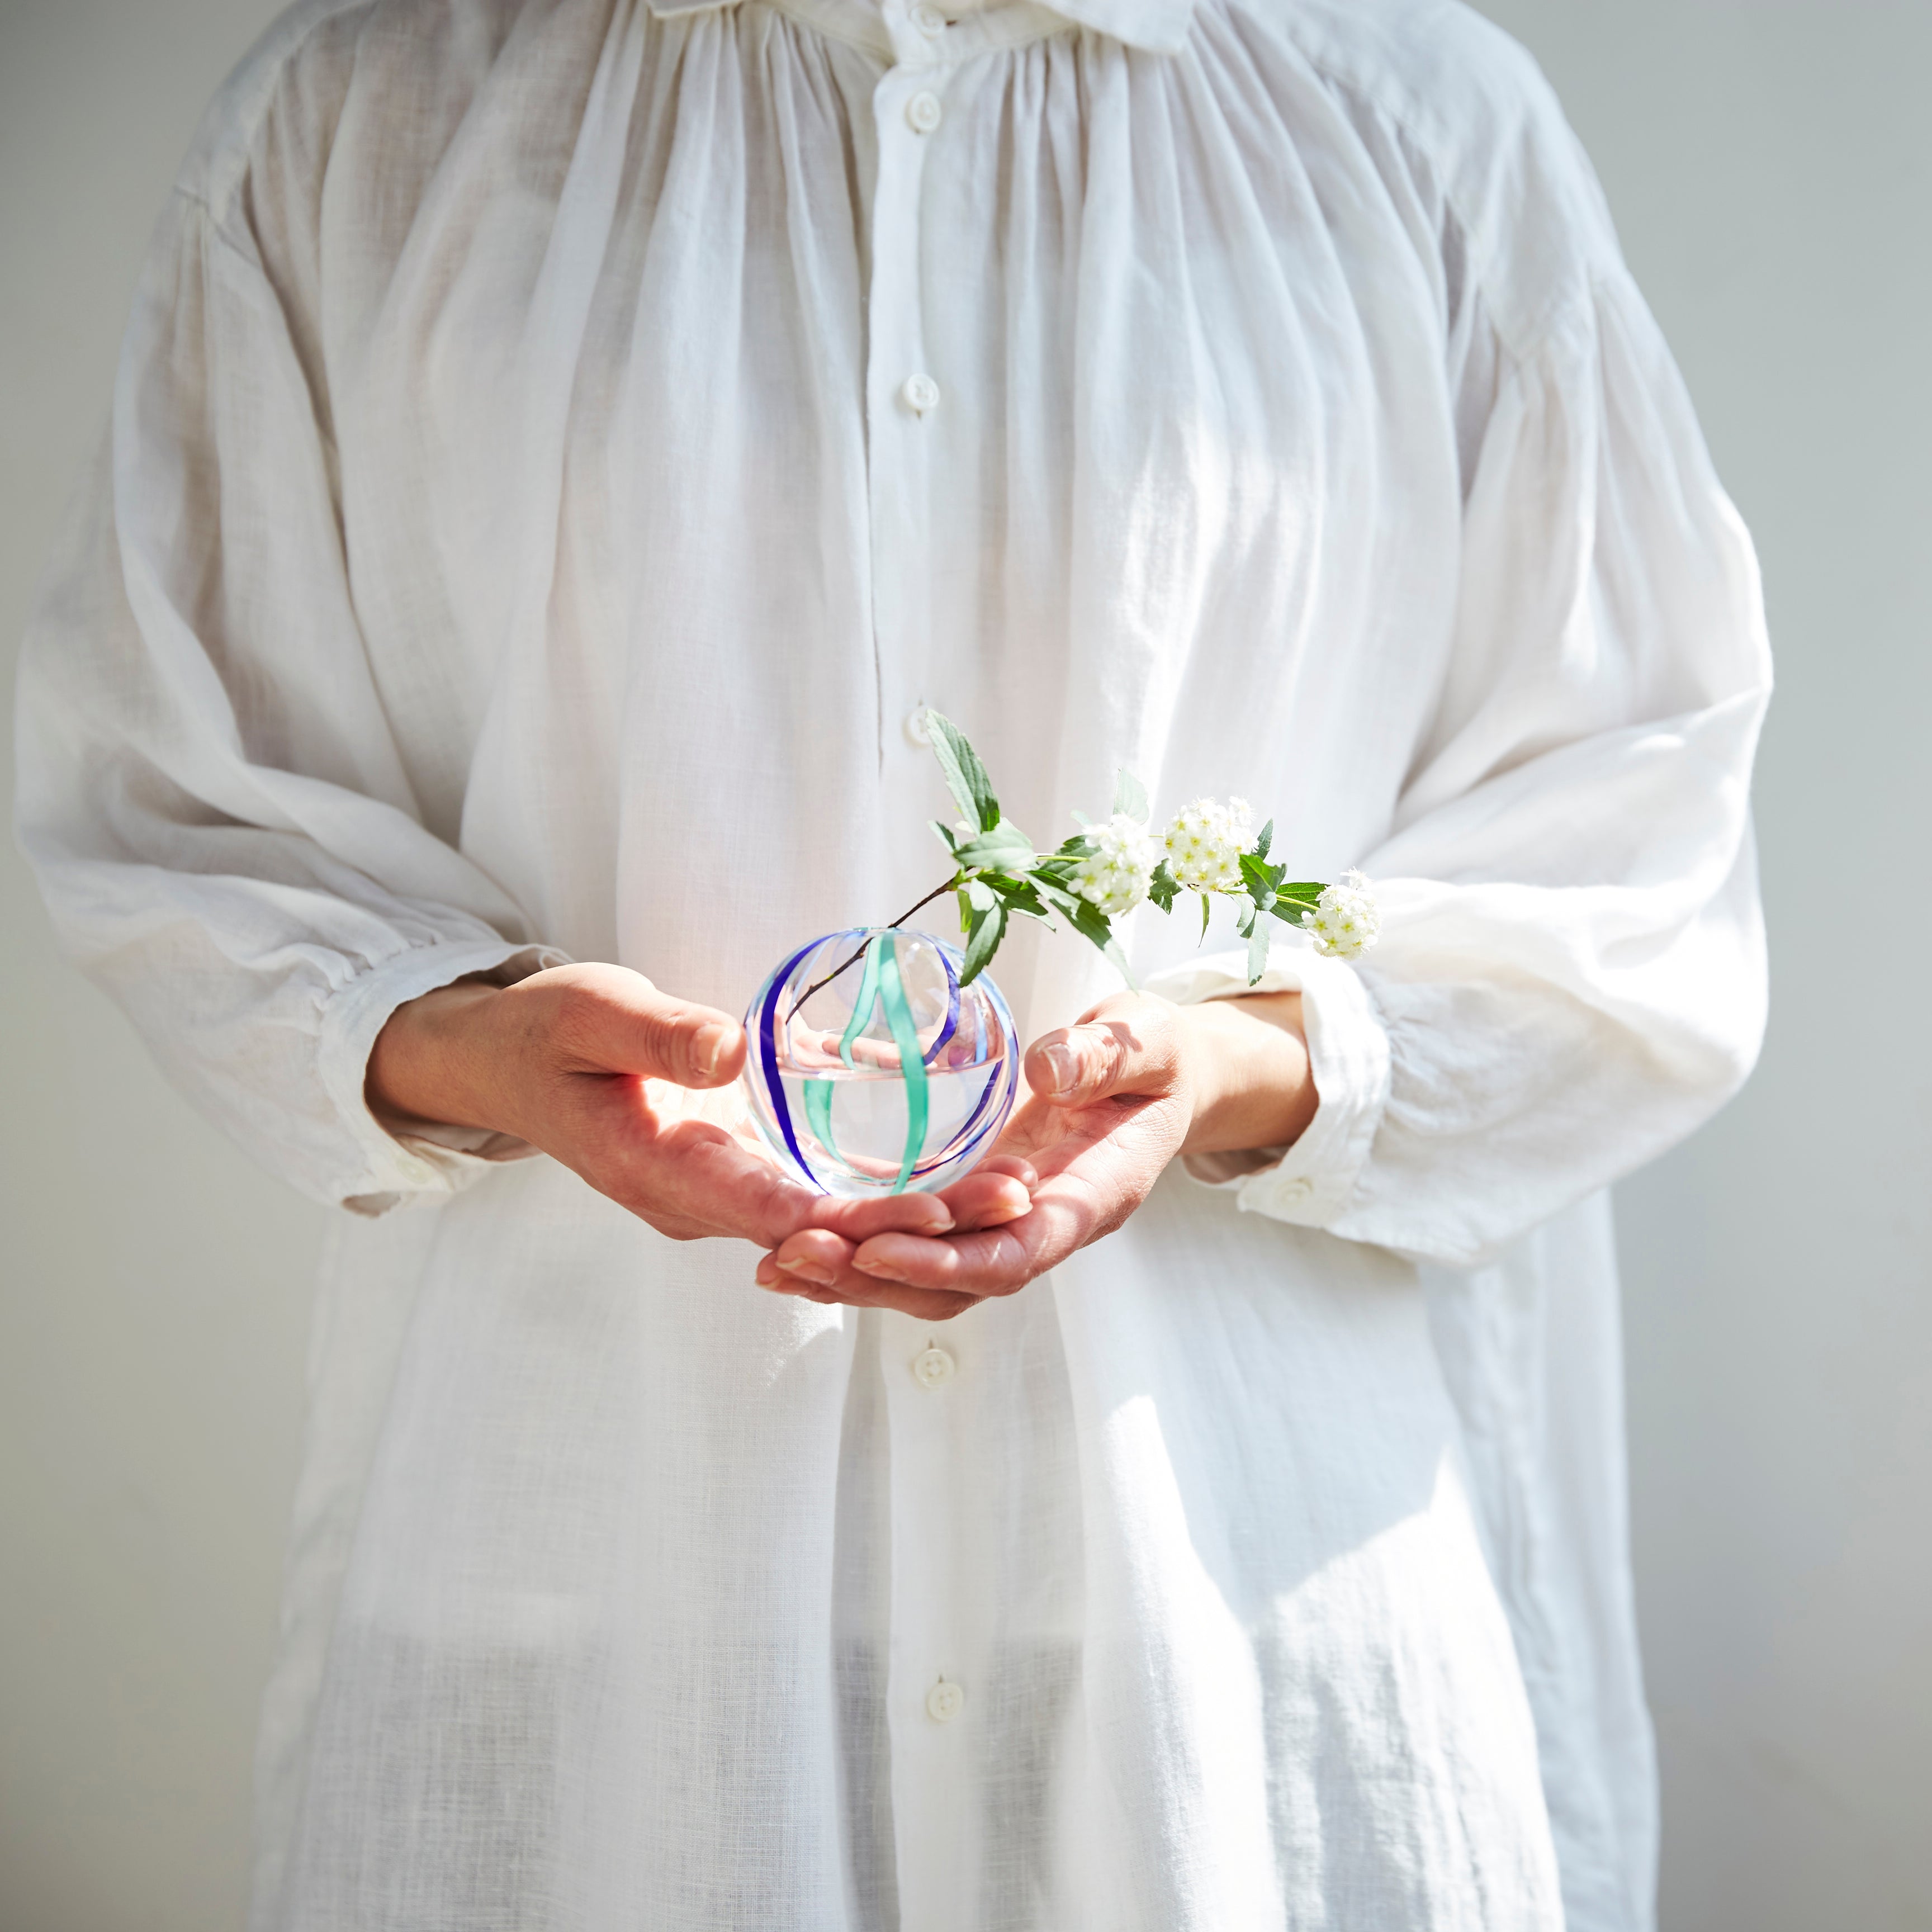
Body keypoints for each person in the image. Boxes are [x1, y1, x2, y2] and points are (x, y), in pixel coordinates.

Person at [14, 0, 1769, 1925]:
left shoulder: (1410, 121)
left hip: (1220, 1640)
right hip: (601, 1640)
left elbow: (1631, 830)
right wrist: (467, 1042)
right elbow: (175, 793)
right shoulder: (359, 129)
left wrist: (1231, 1066)